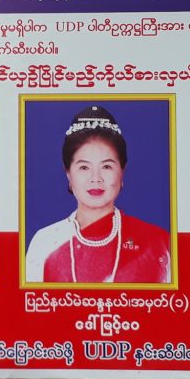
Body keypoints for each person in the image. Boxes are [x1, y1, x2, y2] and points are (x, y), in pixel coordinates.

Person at [26, 105, 170, 283]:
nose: (96, 178)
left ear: (122, 172)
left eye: (107, 166)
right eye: (84, 167)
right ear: (68, 174)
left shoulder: (157, 242)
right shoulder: (45, 242)